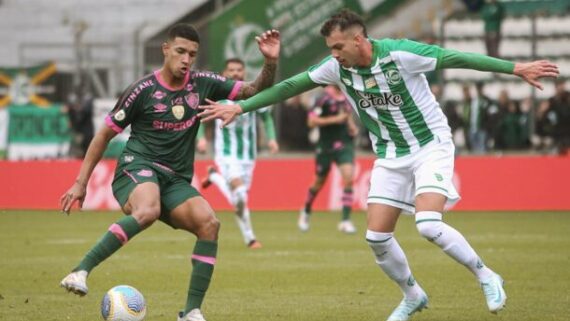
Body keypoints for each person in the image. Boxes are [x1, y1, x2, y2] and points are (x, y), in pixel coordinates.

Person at [199, 9, 559, 321]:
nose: (334, 54)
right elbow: (290, 86)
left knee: (429, 225)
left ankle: (486, 276)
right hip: (390, 154)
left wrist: (515, 68)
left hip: (430, 146)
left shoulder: (402, 54)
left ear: (359, 40)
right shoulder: (336, 69)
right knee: (376, 238)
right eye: (331, 49)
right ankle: (413, 295)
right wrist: (241, 106)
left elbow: (455, 58)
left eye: (339, 47)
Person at [59, 23, 280, 321]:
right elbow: (102, 137)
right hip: (137, 168)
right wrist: (80, 183)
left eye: (192, 53)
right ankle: (80, 271)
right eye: (180, 51)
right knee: (148, 209)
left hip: (175, 180)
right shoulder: (142, 90)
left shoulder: (203, 83)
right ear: (165, 49)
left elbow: (254, 89)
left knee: (209, 224)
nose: (186, 59)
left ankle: (191, 312)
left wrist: (270, 62)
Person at [196, 58, 279, 249]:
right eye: (231, 70)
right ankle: (250, 239)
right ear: (224, 73)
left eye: (239, 70)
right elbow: (201, 116)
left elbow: (266, 117)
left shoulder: (253, 94)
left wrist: (272, 138)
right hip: (226, 155)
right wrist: (200, 138)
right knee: (240, 195)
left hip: (248, 157)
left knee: (239, 200)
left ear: (244, 72)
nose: (235, 73)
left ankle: (214, 177)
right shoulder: (216, 95)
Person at [298, 85, 358, 234]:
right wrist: (335, 119)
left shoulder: (347, 94)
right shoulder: (322, 98)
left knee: (348, 177)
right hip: (325, 145)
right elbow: (311, 122)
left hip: (344, 144)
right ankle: (306, 210)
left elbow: (347, 114)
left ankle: (345, 220)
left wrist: (351, 126)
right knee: (319, 182)